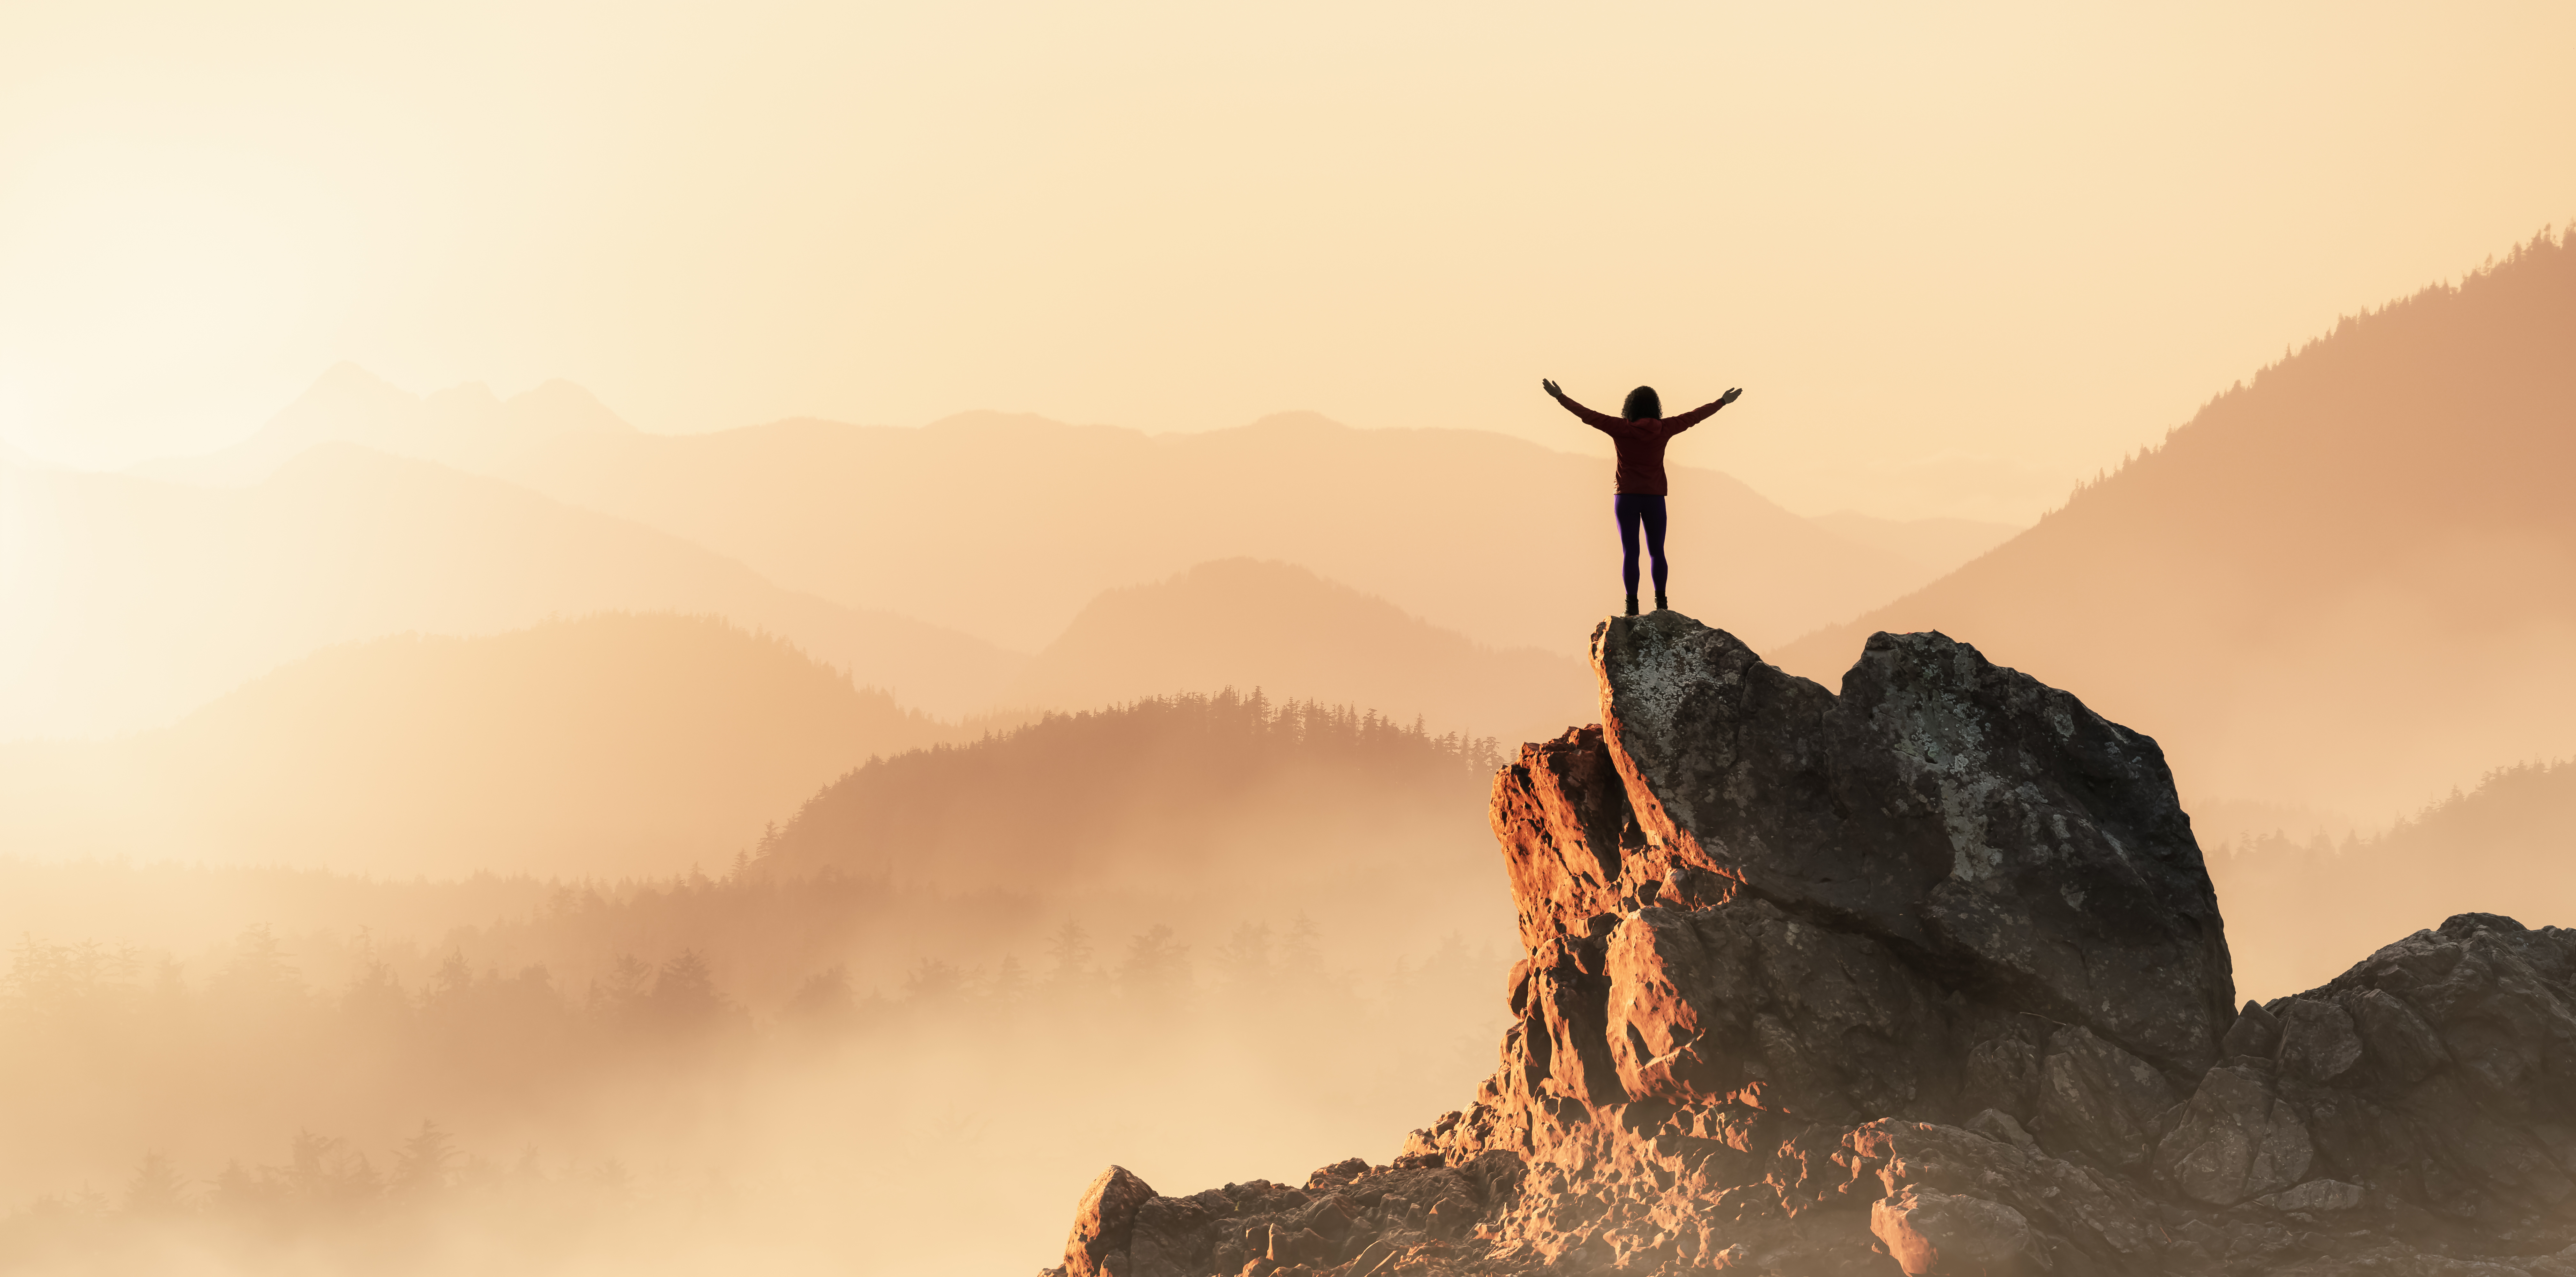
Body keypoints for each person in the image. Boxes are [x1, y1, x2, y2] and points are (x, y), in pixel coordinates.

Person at [1541, 379, 1743, 616]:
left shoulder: (1621, 428)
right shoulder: (1665, 428)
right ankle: (1661, 605)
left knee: (1631, 552)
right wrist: (1722, 402)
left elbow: (1588, 415)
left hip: (1626, 497)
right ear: (1655, 408)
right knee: (1657, 551)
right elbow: (1694, 417)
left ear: (1630, 408)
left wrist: (1560, 397)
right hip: (1654, 498)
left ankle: (1632, 607)